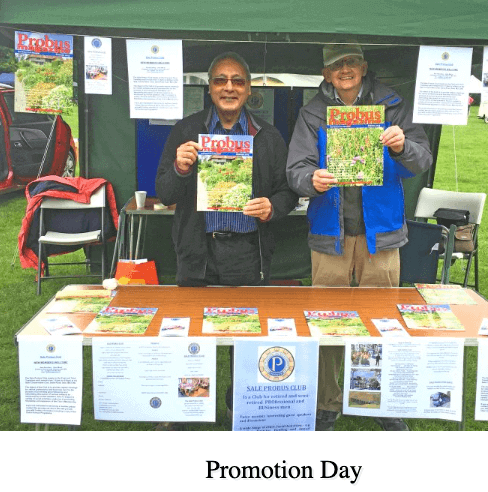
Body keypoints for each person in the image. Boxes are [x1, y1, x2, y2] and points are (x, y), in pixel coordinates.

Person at [286, 42, 433, 431]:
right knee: (328, 322)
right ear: (325, 73)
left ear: (364, 67)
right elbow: (296, 168)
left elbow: (421, 159)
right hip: (329, 233)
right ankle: (328, 401)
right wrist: (310, 180)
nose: (344, 69)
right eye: (336, 65)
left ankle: (377, 400)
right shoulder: (312, 112)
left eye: (351, 62)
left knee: (380, 320)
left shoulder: (393, 104)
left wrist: (401, 146)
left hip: (380, 233)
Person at [155, 52, 298, 428]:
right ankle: (187, 412)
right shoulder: (186, 131)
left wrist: (272, 207)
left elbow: (287, 193)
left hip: (248, 253)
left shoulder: (266, 136)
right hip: (198, 250)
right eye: (221, 80)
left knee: (244, 340)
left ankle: (240, 410)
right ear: (210, 87)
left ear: (249, 89)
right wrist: (181, 167)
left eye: (237, 80)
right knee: (192, 338)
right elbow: (165, 192)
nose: (229, 87)